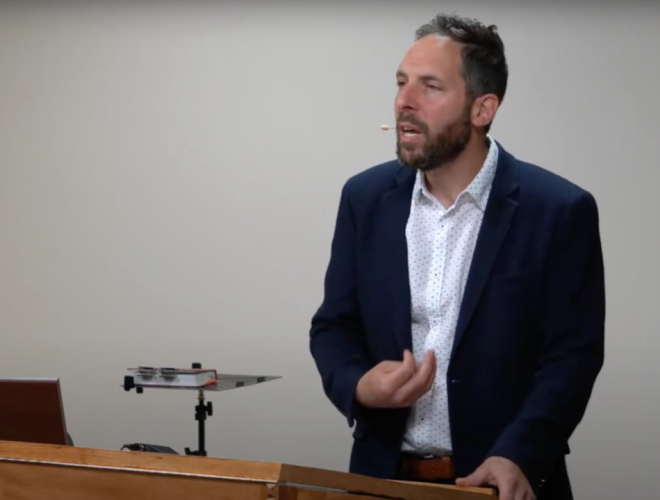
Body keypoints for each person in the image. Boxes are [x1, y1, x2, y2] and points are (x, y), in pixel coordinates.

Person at [309, 12, 605, 500]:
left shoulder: (558, 210)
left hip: (497, 485)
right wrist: (360, 385)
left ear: (482, 109)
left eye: (430, 87)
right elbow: (333, 326)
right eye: (401, 83)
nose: (404, 102)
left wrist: (518, 454)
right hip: (382, 480)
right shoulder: (364, 198)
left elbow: (572, 357)